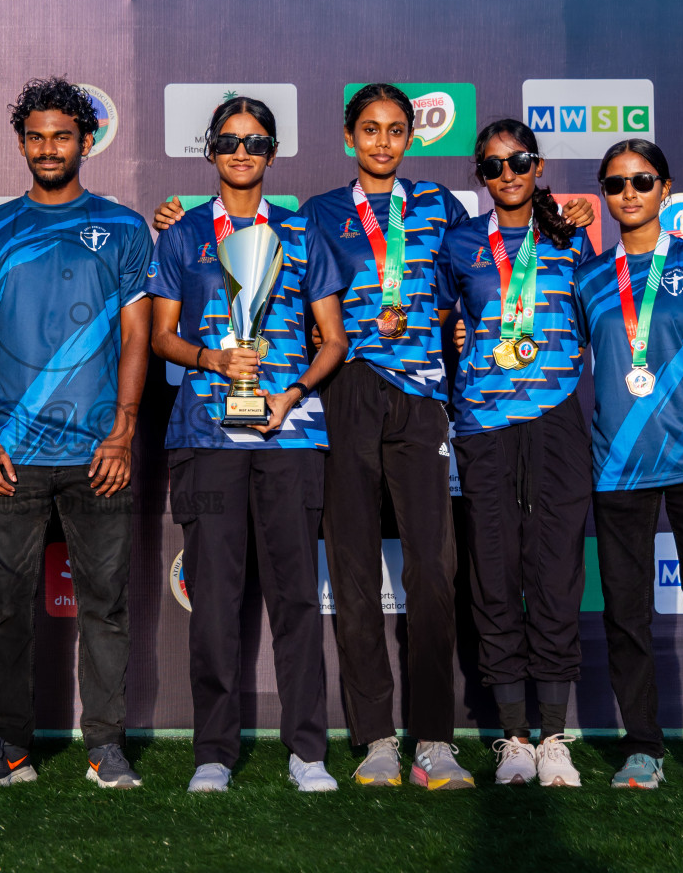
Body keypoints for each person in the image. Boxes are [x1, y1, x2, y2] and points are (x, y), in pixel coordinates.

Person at [150, 87, 593, 789]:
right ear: (348, 137)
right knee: (353, 572)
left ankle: (435, 741)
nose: (383, 142)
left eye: (395, 130)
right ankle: (376, 739)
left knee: (435, 573)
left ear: (412, 138)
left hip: (423, 399)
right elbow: (250, 255)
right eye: (369, 129)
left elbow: (489, 266)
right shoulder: (318, 214)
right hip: (345, 393)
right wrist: (178, 220)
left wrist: (562, 217)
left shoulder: (443, 208)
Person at [147, 96, 350, 793]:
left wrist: (292, 394)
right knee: (214, 603)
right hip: (206, 435)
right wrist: (211, 359)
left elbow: (335, 340)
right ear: (211, 150)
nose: (242, 152)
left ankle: (308, 752)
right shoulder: (183, 234)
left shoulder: (302, 232)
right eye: (230, 141)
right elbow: (161, 336)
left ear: (273, 152)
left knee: (296, 600)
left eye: (256, 141)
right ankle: (213, 752)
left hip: (290, 436)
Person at [0, 78, 152, 789]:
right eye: (36, 137)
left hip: (99, 452)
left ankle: (106, 746)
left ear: (86, 142)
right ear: (20, 144)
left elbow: (138, 337)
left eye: (62, 136)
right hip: (10, 453)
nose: (49, 149)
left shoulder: (123, 228)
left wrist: (122, 433)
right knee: (7, 609)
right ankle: (8, 747)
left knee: (105, 605)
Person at [576, 139, 683, 791]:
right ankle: (642, 748)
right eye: (616, 183)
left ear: (666, 188)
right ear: (604, 192)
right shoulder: (590, 276)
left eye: (642, 181)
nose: (629, 193)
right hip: (616, 466)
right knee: (626, 616)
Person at [434, 118, 598, 787]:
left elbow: (607, 319)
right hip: (483, 423)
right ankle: (514, 739)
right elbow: (435, 324)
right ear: (480, 175)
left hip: (556, 419)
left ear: (538, 165)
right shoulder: (460, 242)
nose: (508, 174)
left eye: (520, 161)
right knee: (494, 575)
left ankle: (553, 736)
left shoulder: (570, 233)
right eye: (494, 166)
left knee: (555, 573)